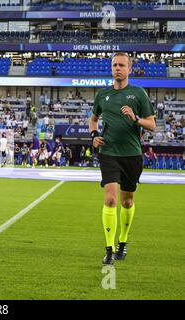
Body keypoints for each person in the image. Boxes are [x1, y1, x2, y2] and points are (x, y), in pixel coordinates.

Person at [89, 52, 156, 265]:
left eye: (122, 65)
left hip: (132, 155)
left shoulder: (138, 94)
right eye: (115, 65)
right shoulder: (103, 95)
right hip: (108, 153)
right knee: (110, 199)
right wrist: (94, 136)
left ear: (129, 69)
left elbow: (152, 125)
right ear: (111, 68)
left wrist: (135, 118)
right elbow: (93, 119)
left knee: (127, 201)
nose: (118, 68)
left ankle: (122, 242)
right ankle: (109, 249)